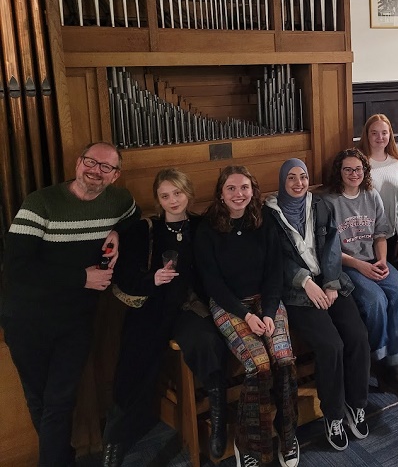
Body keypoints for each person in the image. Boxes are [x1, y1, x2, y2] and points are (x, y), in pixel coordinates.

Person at [2, 142, 139, 467]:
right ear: (79, 163)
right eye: (91, 162)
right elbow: (17, 267)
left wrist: (118, 233)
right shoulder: (42, 202)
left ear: (115, 174)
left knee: (60, 400)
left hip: (76, 320)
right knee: (40, 401)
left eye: (106, 167)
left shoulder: (120, 200)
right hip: (26, 318)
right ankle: (62, 458)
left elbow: (136, 226)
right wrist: (81, 278)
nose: (96, 170)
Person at [102, 169, 230, 466]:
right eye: (165, 195)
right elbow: (126, 275)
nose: (173, 200)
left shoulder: (204, 226)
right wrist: (153, 279)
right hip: (153, 307)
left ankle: (218, 421)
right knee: (133, 362)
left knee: (207, 343)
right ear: (157, 199)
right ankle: (115, 441)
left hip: (191, 307)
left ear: (188, 193)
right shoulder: (145, 230)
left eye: (178, 193)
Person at [195, 166, 299, 467]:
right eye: (231, 188)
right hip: (229, 304)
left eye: (244, 188)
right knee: (260, 365)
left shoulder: (264, 221)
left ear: (253, 190)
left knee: (283, 359)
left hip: (266, 301)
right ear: (221, 193)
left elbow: (274, 272)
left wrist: (268, 312)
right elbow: (212, 283)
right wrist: (245, 315)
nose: (238, 194)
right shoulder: (208, 228)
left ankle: (287, 433)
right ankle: (250, 445)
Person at [265, 159, 371, 453]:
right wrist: (305, 282)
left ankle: (356, 404)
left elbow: (332, 246)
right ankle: (334, 414)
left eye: (303, 177)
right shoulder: (269, 216)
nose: (298, 183)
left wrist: (330, 282)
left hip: (329, 285)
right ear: (282, 182)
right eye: (291, 179)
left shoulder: (320, 205)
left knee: (358, 337)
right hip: (297, 294)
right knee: (331, 345)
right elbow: (274, 260)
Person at [324, 148, 398, 401]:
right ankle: (380, 362)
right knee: (376, 302)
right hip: (347, 264)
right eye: (348, 169)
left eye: (359, 169)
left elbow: (380, 234)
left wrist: (383, 261)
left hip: (375, 260)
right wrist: (360, 265)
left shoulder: (371, 194)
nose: (354, 174)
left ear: (365, 171)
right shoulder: (329, 201)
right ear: (339, 172)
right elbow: (329, 250)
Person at [356, 114, 398, 265]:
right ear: (367, 135)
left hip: (391, 236)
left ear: (390, 134)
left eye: (384, 132)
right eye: (374, 133)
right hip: (365, 237)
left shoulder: (397, 164)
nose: (380, 137)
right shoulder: (359, 164)